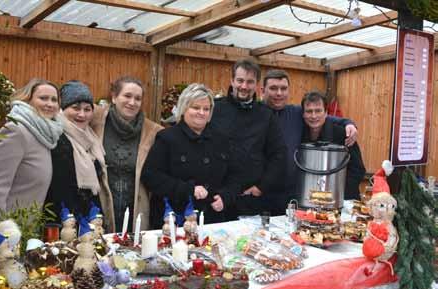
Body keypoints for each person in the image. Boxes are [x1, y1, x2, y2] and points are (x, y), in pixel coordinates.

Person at [141, 83, 240, 226]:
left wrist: (226, 196)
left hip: (211, 220)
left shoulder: (221, 140)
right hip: (174, 221)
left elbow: (235, 175)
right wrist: (188, 189)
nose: (201, 112)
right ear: (184, 108)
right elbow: (151, 176)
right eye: (196, 107)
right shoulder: (167, 138)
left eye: (206, 109)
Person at [0, 79, 63, 226]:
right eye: (43, 98)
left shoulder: (45, 136)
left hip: (24, 230)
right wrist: (1, 231)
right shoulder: (16, 131)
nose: (49, 104)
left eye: (54, 100)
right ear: (28, 100)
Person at [261, 69, 359, 212]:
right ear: (263, 90)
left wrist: (348, 123)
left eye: (283, 88)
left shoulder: (295, 113)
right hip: (261, 192)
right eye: (274, 88)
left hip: (292, 193)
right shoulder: (256, 113)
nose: (279, 93)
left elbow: (322, 118)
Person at [209, 59, 287, 219]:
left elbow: (279, 154)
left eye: (250, 82)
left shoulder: (266, 115)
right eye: (240, 80)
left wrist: (261, 187)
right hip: (217, 197)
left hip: (250, 200)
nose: (244, 86)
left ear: (257, 85)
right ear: (232, 81)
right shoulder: (215, 108)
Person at [91, 76, 163, 232]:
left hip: (137, 210)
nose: (132, 102)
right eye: (127, 96)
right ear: (114, 97)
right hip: (99, 208)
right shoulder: (95, 121)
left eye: (138, 98)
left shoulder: (153, 132)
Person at [45, 81, 115, 231]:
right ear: (62, 109)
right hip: (60, 220)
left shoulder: (91, 139)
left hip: (88, 218)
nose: (82, 114)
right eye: (75, 108)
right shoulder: (54, 135)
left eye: (87, 109)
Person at [301, 91, 366, 199]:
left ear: (326, 113)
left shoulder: (342, 133)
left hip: (342, 198)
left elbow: (358, 169)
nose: (313, 116)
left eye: (318, 111)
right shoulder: (299, 133)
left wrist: (337, 193)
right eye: (309, 111)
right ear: (303, 114)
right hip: (309, 197)